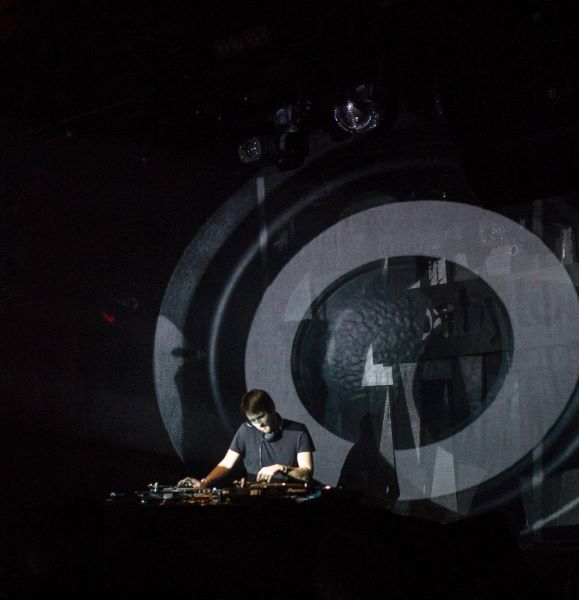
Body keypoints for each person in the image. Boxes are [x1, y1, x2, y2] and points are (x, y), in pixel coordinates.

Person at [178, 389, 315, 487]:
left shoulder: (298, 431)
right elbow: (226, 464)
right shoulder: (245, 430)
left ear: (272, 408)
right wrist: (205, 482)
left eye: (261, 417)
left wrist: (281, 468)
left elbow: (306, 473)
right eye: (253, 420)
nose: (259, 424)